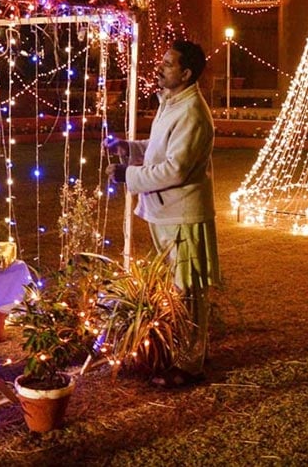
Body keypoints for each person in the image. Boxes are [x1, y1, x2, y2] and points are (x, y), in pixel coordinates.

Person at [105, 39, 220, 387]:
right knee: (174, 286)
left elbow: (175, 170)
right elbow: (159, 151)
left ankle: (189, 365)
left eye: (168, 64)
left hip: (182, 213)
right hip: (165, 212)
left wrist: (129, 175)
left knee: (187, 288)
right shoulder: (172, 104)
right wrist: (129, 148)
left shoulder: (192, 113)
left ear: (185, 74)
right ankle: (178, 351)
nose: (160, 67)